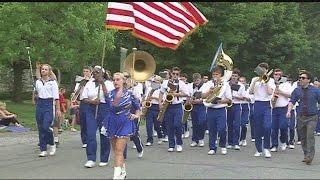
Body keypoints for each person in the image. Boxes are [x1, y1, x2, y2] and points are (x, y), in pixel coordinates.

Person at [101, 72, 141, 179]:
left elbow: (138, 107)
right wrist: (102, 84)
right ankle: (122, 171)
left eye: (118, 79)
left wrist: (136, 115)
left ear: (123, 81)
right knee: (116, 151)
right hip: (112, 122)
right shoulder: (110, 94)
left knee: (119, 150)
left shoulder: (130, 94)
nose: (115, 82)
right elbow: (112, 106)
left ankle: (116, 177)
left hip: (125, 122)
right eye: (114, 80)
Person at [82, 66, 114, 168]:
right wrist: (92, 101)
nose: (95, 74)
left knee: (103, 133)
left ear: (102, 73)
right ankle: (91, 158)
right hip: (91, 109)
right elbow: (83, 98)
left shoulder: (109, 83)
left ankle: (104, 157)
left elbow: (109, 97)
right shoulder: (89, 83)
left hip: (104, 109)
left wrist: (102, 83)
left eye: (97, 72)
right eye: (94, 72)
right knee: (91, 134)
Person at [286, 70, 320, 165]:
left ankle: (310, 156)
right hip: (301, 117)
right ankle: (306, 154)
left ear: (308, 80)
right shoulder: (297, 90)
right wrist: (288, 111)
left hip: (312, 117)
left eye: (303, 78)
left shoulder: (316, 90)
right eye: (300, 78)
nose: (301, 79)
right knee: (303, 137)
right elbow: (292, 101)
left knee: (310, 136)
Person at [201, 66, 232, 155]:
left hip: (221, 109)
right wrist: (209, 92)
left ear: (220, 75)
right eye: (214, 74)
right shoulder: (208, 84)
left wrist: (219, 101)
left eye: (217, 74)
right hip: (210, 109)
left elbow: (229, 99)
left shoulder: (225, 84)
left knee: (222, 129)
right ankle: (212, 148)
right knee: (212, 129)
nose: (215, 76)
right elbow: (202, 96)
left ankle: (222, 146)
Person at [249, 62, 275, 158]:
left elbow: (269, 93)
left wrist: (266, 81)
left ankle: (266, 148)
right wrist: (255, 82)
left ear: (267, 71)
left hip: (266, 104)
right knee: (257, 127)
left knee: (267, 127)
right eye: (261, 69)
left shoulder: (271, 80)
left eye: (264, 69)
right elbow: (250, 92)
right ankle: (258, 149)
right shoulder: (254, 79)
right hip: (257, 104)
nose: (263, 70)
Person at [159, 67, 188, 152]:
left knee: (177, 125)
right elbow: (161, 92)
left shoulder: (182, 83)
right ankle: (171, 145)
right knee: (169, 126)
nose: (175, 75)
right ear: (171, 73)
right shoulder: (165, 82)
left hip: (177, 106)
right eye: (174, 73)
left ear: (179, 74)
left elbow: (186, 94)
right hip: (168, 106)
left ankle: (179, 143)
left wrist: (176, 94)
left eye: (177, 74)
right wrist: (160, 103)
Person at [34, 64, 61, 157]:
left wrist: (58, 109)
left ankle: (52, 143)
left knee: (46, 126)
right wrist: (35, 97)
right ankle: (43, 149)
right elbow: (36, 93)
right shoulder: (38, 82)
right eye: (42, 69)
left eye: (46, 69)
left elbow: (56, 97)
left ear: (49, 71)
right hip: (40, 104)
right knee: (40, 127)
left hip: (49, 104)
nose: (43, 70)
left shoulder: (53, 83)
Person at [270, 69, 292, 152]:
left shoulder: (286, 84)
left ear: (281, 75)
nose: (277, 76)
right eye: (276, 74)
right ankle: (274, 145)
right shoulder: (271, 83)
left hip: (283, 108)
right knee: (273, 128)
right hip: (274, 108)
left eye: (279, 74)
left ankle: (283, 141)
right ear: (273, 75)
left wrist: (280, 92)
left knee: (283, 126)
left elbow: (290, 95)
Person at [226, 68, 246, 150]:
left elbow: (243, 97)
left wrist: (234, 96)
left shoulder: (241, 85)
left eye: (235, 76)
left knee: (237, 125)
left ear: (238, 77)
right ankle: (230, 142)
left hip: (237, 105)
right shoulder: (227, 84)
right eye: (233, 76)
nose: (234, 77)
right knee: (229, 124)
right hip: (228, 105)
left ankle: (236, 143)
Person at [73, 66, 93, 148]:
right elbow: (76, 94)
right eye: (84, 71)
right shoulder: (80, 82)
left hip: (91, 102)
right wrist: (81, 84)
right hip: (83, 102)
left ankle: (90, 139)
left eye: (87, 71)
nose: (86, 73)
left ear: (91, 72)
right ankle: (84, 140)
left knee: (90, 121)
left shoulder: (93, 82)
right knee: (83, 121)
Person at [144, 75, 163, 146]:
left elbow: (163, 100)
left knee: (157, 125)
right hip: (150, 107)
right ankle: (149, 140)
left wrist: (154, 97)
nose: (155, 82)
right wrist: (148, 98)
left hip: (157, 107)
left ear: (160, 82)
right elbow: (146, 98)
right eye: (154, 81)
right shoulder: (150, 89)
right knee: (148, 125)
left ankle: (160, 135)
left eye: (156, 81)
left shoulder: (162, 90)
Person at [188, 73, 206, 147]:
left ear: (200, 79)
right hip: (193, 106)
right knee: (194, 123)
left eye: (198, 80)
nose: (196, 82)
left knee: (201, 122)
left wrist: (200, 100)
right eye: (195, 80)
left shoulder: (204, 86)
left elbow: (206, 96)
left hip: (201, 106)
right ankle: (195, 140)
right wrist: (190, 101)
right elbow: (188, 95)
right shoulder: (190, 86)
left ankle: (201, 138)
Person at [238, 76, 252, 146]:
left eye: (243, 81)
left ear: (245, 82)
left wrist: (245, 98)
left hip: (245, 107)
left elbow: (251, 100)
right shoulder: (236, 88)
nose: (241, 83)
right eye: (240, 81)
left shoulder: (248, 89)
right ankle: (238, 139)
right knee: (237, 124)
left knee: (244, 124)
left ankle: (243, 139)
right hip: (238, 106)